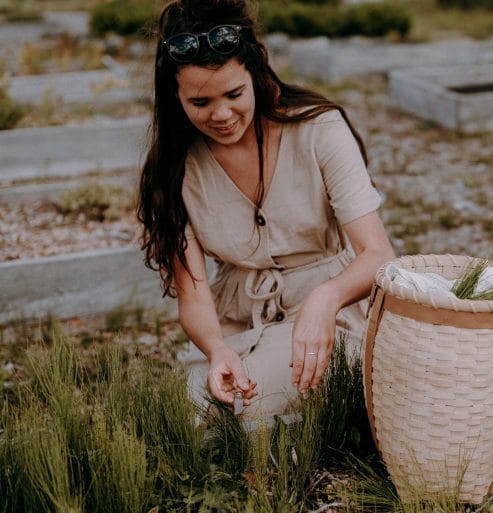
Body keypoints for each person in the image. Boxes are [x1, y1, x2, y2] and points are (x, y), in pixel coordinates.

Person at [137, 0, 395, 420]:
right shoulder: (173, 168)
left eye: (234, 94)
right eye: (200, 102)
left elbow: (379, 256)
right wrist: (216, 348)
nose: (221, 115)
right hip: (235, 320)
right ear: (176, 99)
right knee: (186, 412)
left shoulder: (320, 129)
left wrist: (325, 299)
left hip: (329, 314)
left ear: (254, 74)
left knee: (248, 409)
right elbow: (194, 294)